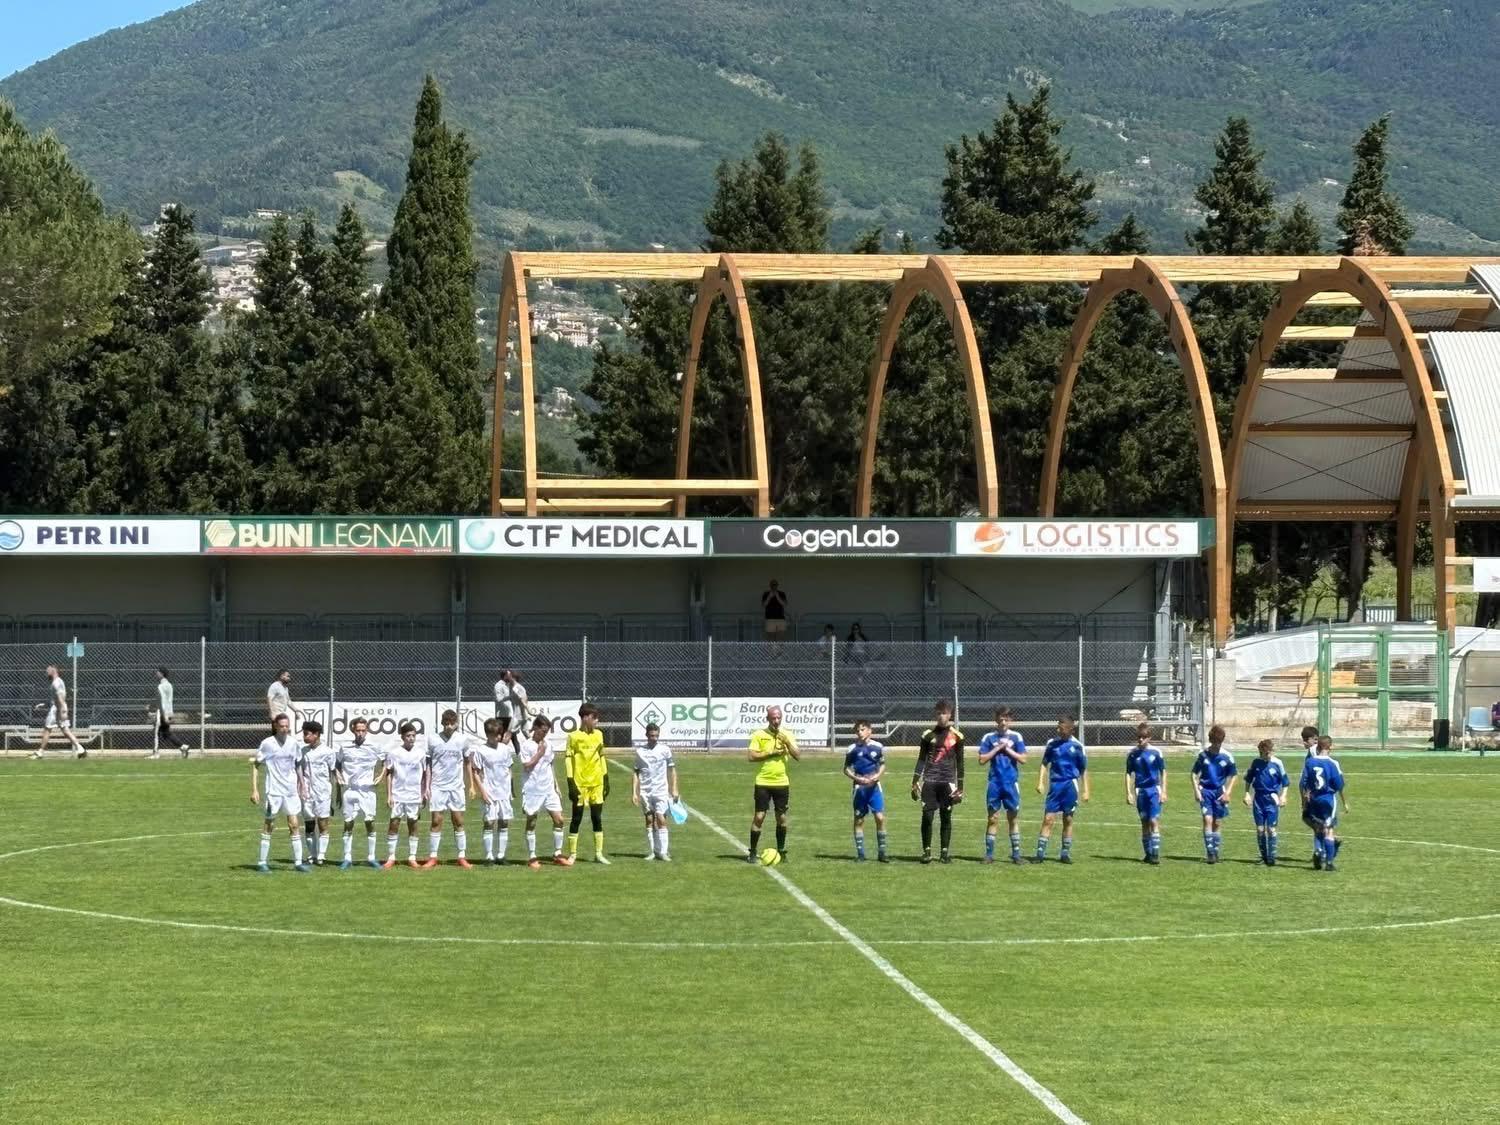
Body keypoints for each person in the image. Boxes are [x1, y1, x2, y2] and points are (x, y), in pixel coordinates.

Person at [250, 713, 309, 872]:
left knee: (294, 825)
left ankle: (298, 863)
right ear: (275, 726)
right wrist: (254, 790)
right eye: (281, 726)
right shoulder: (267, 744)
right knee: (269, 824)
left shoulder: (293, 743)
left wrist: (302, 785)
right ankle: (262, 862)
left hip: (290, 791)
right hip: (274, 792)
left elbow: (297, 765)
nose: (284, 729)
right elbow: (256, 765)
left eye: (286, 726)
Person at [911, 701, 965, 865]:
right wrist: (915, 781)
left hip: (948, 782)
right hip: (930, 781)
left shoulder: (957, 736)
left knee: (946, 816)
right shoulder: (928, 735)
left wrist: (960, 787)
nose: (942, 716)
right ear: (936, 715)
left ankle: (944, 852)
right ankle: (926, 851)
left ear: (950, 715)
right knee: (927, 816)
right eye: (939, 713)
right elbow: (921, 759)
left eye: (945, 713)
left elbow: (960, 763)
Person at [746, 705, 799, 862]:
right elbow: (751, 756)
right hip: (763, 782)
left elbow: (798, 755)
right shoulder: (759, 735)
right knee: (759, 816)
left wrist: (788, 743)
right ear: (767, 718)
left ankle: (781, 851)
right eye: (773, 718)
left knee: (781, 817)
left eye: (778, 718)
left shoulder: (787, 734)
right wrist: (771, 753)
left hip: (782, 783)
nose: (776, 721)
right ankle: (753, 852)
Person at [1034, 716, 1089, 864]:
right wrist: (1040, 782)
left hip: (1070, 786)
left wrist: (1086, 790)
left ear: (1070, 728)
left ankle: (1065, 854)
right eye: (1058, 726)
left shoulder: (1078, 746)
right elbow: (1044, 763)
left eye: (1061, 727)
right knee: (1048, 819)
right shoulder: (1052, 744)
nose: (1058, 729)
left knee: (1068, 819)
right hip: (1055, 786)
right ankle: (1040, 854)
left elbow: (1083, 769)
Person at [978, 706, 1027, 864]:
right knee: (992, 818)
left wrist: (1008, 749)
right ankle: (989, 854)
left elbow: (1023, 759)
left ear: (1011, 720)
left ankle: (1016, 854)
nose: (1003, 722)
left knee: (1012, 818)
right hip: (995, 783)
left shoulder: (1016, 737)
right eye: (1000, 719)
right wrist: (998, 748)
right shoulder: (988, 738)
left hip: (1011, 783)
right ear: (996, 720)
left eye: (1006, 719)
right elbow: (982, 760)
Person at [424, 709, 473, 869]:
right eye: (446, 723)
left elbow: (467, 762)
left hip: (456, 787)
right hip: (438, 786)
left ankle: (461, 856)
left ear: (457, 723)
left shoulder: (463, 740)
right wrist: (427, 786)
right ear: (442, 723)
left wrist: (471, 785)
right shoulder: (433, 739)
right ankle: (433, 857)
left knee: (458, 820)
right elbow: (428, 765)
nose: (449, 727)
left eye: (452, 723)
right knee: (436, 820)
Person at [519, 715, 569, 870]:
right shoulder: (526, 745)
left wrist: (556, 786)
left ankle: (558, 854)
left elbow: (550, 765)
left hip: (548, 789)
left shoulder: (548, 745)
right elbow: (526, 766)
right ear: (535, 728)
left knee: (559, 820)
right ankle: (532, 856)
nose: (544, 734)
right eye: (542, 731)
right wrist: (539, 753)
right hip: (533, 789)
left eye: (547, 732)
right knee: (532, 822)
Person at [564, 702, 610, 864]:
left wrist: (606, 777)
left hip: (596, 784)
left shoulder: (599, 735)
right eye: (594, 718)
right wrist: (570, 782)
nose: (597, 721)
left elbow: (601, 756)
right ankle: (573, 854)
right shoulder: (573, 737)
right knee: (576, 818)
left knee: (597, 818)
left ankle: (598, 854)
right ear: (585, 718)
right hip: (580, 784)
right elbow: (568, 760)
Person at [380, 722, 429, 870]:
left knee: (413, 824)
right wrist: (389, 795)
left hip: (414, 795)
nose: (411, 738)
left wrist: (424, 791)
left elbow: (425, 774)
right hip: (398, 794)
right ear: (402, 737)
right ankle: (391, 857)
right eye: (408, 736)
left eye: (413, 736)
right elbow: (389, 774)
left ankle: (412, 857)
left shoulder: (421, 753)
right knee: (394, 824)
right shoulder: (394, 753)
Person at [335, 716, 383, 869]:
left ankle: (371, 857)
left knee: (369, 822)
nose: (360, 733)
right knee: (348, 822)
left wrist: (380, 775)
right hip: (350, 790)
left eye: (363, 730)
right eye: (358, 730)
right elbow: (336, 764)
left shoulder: (374, 746)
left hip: (367, 790)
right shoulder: (345, 747)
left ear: (367, 730)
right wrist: (338, 775)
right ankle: (347, 858)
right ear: (353, 730)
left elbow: (386, 761)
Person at [470, 717, 518, 865]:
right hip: (490, 792)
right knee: (489, 822)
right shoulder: (480, 750)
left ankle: (501, 855)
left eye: (500, 734)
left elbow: (509, 768)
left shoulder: (505, 749)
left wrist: (511, 788)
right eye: (496, 734)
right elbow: (476, 772)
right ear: (488, 734)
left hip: (504, 792)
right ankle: (489, 856)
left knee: (504, 822)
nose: (499, 737)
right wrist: (482, 791)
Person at [632, 721, 679, 861]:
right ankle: (653, 851)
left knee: (660, 818)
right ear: (646, 735)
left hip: (661, 790)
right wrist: (634, 792)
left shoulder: (665, 750)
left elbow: (672, 770)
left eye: (656, 735)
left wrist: (674, 788)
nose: (654, 738)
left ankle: (663, 852)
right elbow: (635, 772)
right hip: (646, 791)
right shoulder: (640, 752)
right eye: (652, 735)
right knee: (649, 819)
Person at [1191, 724, 1238, 864]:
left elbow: (1234, 775)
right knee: (1207, 820)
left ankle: (1216, 851)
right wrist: (1196, 790)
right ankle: (1210, 853)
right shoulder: (1203, 755)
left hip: (1219, 792)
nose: (1217, 745)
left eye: (1219, 742)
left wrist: (1228, 792)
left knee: (1217, 822)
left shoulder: (1227, 756)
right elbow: (1193, 773)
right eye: (1214, 742)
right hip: (1205, 791)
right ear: (1211, 740)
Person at [1300, 735, 1348, 871]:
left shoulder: (1310, 762)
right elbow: (1339, 784)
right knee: (1329, 830)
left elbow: (1305, 782)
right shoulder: (1332, 763)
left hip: (1314, 798)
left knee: (1318, 827)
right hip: (1328, 799)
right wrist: (1345, 802)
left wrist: (1306, 798)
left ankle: (1318, 850)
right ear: (1329, 746)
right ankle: (1329, 863)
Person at [843, 719, 888, 863]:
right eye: (857, 730)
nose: (860, 733)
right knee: (859, 820)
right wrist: (856, 778)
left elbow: (882, 765)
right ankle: (861, 854)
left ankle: (882, 853)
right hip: (859, 788)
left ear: (870, 730)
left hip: (874, 787)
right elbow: (846, 769)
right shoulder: (852, 749)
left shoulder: (878, 747)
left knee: (880, 817)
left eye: (862, 729)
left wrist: (876, 776)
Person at [1124, 722, 1167, 865]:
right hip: (1140, 791)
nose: (1140, 740)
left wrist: (1164, 790)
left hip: (1154, 790)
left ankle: (1155, 854)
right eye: (1138, 737)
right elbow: (1128, 773)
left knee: (1153, 820)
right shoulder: (1132, 754)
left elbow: (1163, 771)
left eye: (1143, 737)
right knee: (1144, 822)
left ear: (1149, 738)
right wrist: (1128, 793)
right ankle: (1148, 854)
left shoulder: (1156, 753)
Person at [1243, 739, 1290, 866]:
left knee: (1271, 828)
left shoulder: (1278, 763)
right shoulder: (1256, 763)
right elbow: (1248, 779)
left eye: (1268, 753)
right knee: (1259, 829)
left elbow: (1285, 782)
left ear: (1271, 751)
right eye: (1263, 753)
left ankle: (1271, 857)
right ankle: (1263, 857)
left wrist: (1283, 796)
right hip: (1258, 798)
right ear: (1260, 752)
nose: (1266, 756)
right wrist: (1247, 793)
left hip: (1272, 798)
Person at [299, 720, 337, 866]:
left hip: (322, 793)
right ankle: (312, 854)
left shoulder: (328, 752)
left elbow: (333, 773)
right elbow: (300, 773)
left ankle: (321, 855)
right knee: (309, 825)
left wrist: (333, 795)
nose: (305, 737)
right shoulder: (303, 752)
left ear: (316, 734)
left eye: (307, 734)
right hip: (307, 794)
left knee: (323, 825)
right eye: (304, 734)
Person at [33, 663, 86, 759]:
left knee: (47, 729)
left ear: (54, 670)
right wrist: (44, 704)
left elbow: (61, 697)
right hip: (58, 708)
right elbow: (55, 698)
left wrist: (63, 710)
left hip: (56, 710)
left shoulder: (56, 682)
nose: (46, 672)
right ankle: (80, 749)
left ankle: (40, 752)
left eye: (48, 670)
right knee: (65, 730)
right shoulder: (56, 682)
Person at [150, 668, 190, 758]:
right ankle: (183, 747)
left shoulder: (161, 686)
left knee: (156, 732)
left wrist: (162, 715)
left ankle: (155, 753)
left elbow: (161, 701)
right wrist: (169, 714)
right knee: (166, 733)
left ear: (162, 674)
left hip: (162, 712)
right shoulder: (169, 685)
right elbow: (169, 701)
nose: (156, 673)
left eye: (158, 672)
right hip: (168, 712)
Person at [761, 579, 788, 646]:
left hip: (780, 619)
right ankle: (771, 655)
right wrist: (769, 597)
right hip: (770, 619)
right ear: (770, 586)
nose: (774, 586)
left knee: (780, 638)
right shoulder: (766, 594)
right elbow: (764, 605)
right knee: (771, 639)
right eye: (772, 585)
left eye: (775, 584)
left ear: (777, 585)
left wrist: (777, 596)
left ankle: (779, 654)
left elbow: (784, 604)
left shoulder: (782, 593)